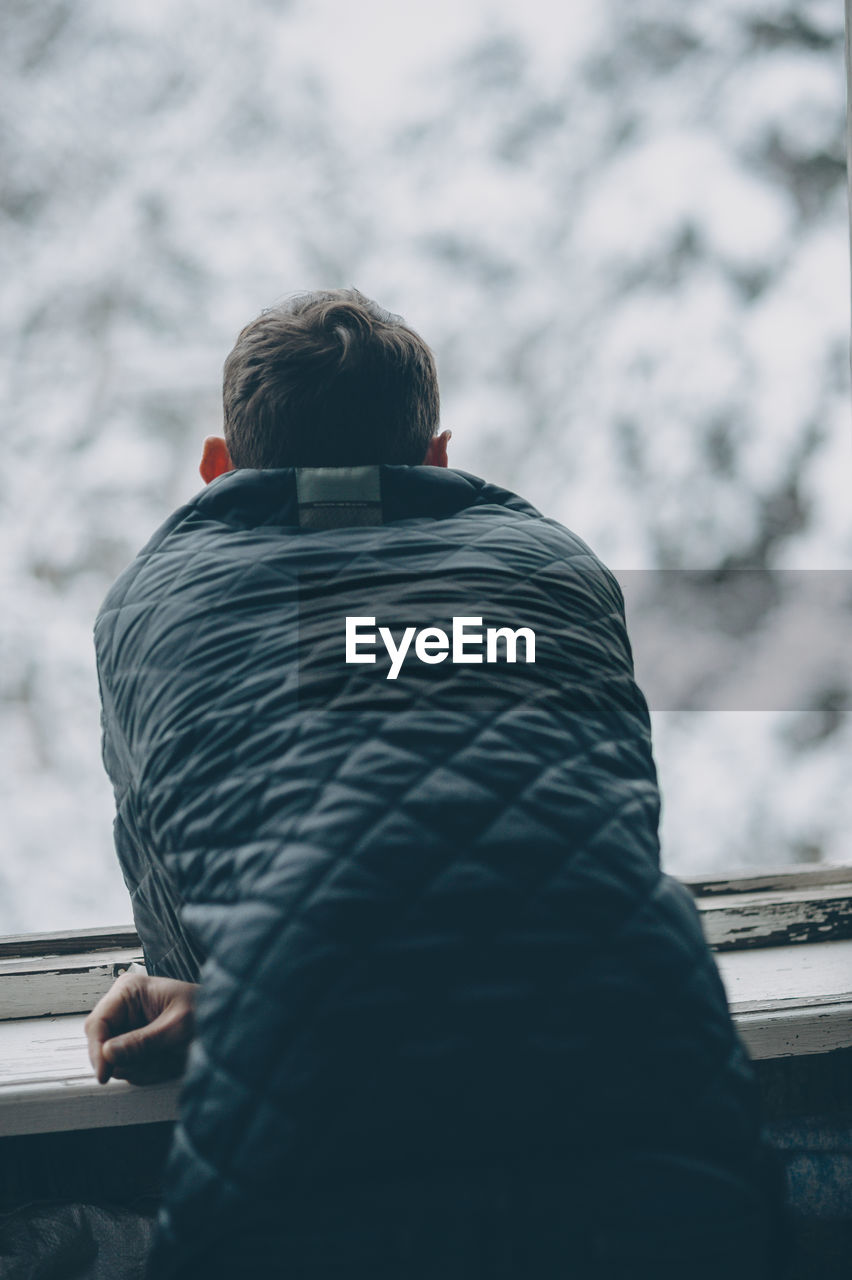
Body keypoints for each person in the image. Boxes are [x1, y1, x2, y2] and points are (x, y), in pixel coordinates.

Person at [87, 288, 786, 1279]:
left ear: (216, 469)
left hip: (305, 1172)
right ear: (438, 455)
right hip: (664, 1126)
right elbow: (597, 837)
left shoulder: (152, 604)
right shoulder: (560, 567)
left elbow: (188, 943)